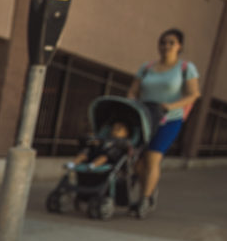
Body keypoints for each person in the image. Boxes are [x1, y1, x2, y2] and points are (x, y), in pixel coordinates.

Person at [127, 28, 201, 212]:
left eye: (171, 42)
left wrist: (171, 106)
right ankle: (150, 190)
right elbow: (133, 90)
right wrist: (130, 103)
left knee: (153, 157)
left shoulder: (186, 68)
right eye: (163, 42)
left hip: (168, 119)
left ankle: (144, 199)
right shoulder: (146, 67)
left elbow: (194, 94)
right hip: (145, 116)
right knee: (137, 161)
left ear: (179, 46)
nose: (166, 46)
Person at [66, 120, 132, 170]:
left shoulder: (124, 141)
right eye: (113, 128)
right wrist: (96, 142)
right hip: (97, 152)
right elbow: (100, 141)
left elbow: (125, 146)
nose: (115, 130)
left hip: (109, 157)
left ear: (126, 132)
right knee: (85, 153)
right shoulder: (106, 137)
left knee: (104, 157)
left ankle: (92, 166)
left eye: (118, 129)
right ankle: (73, 163)